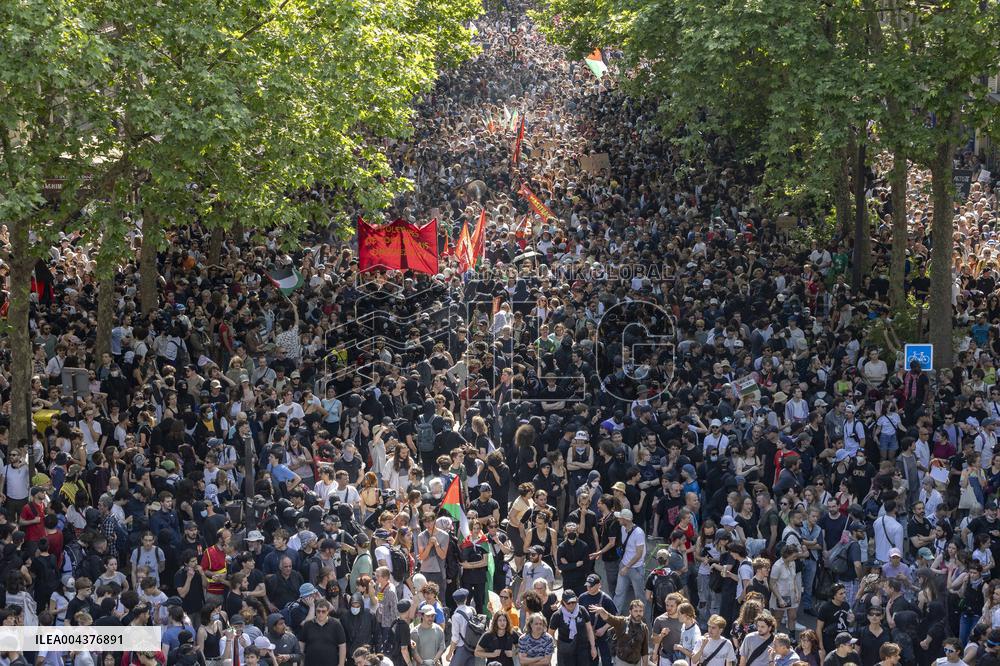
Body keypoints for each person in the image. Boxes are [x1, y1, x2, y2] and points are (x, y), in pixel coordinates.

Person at [588, 599, 651, 666]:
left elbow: (645, 650)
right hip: (622, 662)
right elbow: (610, 618)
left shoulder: (644, 628)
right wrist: (602, 611)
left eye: (640, 611)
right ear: (630, 611)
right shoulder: (622, 622)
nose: (638, 613)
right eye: (635, 611)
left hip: (637, 662)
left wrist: (645, 664)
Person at [547, 590, 597, 666]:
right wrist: (557, 644)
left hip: (582, 648)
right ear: (563, 602)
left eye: (573, 602)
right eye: (568, 603)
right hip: (565, 651)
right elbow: (550, 634)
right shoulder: (557, 615)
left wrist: (593, 647)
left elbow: (589, 630)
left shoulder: (582, 610)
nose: (571, 604)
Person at [614, 509, 647, 612]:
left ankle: (642, 620)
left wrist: (627, 567)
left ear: (625, 519)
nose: (618, 519)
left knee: (639, 596)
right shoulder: (623, 529)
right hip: (624, 565)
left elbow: (639, 553)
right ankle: (614, 618)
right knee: (619, 592)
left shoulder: (638, 533)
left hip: (635, 568)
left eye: (620, 517)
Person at [446, 588, 477, 666]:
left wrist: (449, 653)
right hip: (472, 645)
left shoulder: (456, 616)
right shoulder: (471, 610)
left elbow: (455, 638)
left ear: (455, 601)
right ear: (466, 599)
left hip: (462, 647)